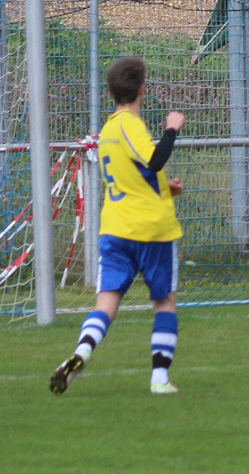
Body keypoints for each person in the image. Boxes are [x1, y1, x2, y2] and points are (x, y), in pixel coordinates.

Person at [50, 57, 186, 395]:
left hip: (114, 230)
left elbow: (131, 177)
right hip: (150, 230)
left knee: (106, 303)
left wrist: (165, 189)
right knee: (164, 302)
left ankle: (82, 351)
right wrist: (172, 128)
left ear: (111, 92)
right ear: (142, 90)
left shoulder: (108, 130)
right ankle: (159, 379)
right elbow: (155, 160)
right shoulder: (130, 124)